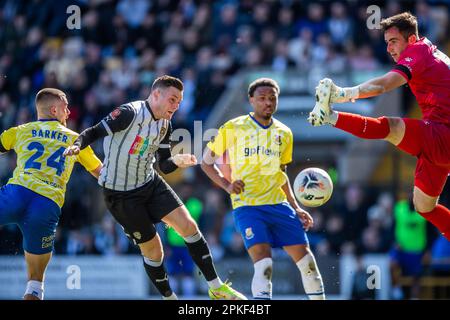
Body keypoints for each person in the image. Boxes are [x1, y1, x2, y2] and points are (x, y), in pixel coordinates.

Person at [64, 75, 246, 300]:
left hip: (149, 183)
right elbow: (93, 132)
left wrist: (177, 161)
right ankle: (169, 298)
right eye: (172, 100)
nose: (176, 106)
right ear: (156, 94)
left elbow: (165, 165)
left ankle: (216, 287)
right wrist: (76, 145)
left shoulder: (165, 125)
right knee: (154, 250)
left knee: (189, 226)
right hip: (120, 195)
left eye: (179, 102)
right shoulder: (129, 113)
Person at [309, 12, 450, 241]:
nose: (389, 49)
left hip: (443, 132)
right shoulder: (428, 50)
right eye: (386, 43)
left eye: (393, 41)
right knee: (424, 206)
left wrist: (343, 94)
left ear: (411, 40)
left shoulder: (417, 52)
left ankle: (330, 117)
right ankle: (329, 117)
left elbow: (385, 85)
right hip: (438, 134)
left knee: (391, 127)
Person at [201, 78, 325, 300]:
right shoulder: (233, 127)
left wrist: (296, 207)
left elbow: (281, 173)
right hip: (248, 206)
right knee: (264, 262)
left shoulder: (285, 133)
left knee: (307, 262)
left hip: (280, 205)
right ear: (251, 100)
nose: (267, 102)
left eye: (272, 98)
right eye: (262, 98)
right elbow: (205, 162)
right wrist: (227, 185)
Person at [0, 88, 102, 300]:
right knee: (35, 282)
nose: (68, 113)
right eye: (66, 108)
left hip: (15, 194)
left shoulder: (21, 130)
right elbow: (101, 173)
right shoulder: (75, 139)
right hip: (46, 206)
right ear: (54, 109)